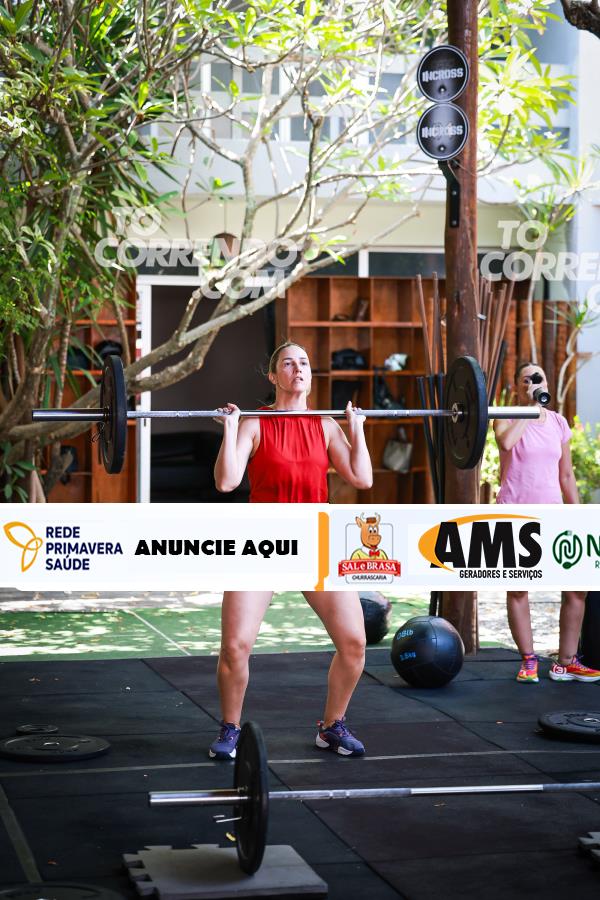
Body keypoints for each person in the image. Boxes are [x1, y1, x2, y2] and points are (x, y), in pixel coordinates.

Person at [209, 341, 373, 759]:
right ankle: (230, 728)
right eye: (287, 363)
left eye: (303, 363)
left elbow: (362, 478)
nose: (297, 369)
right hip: (261, 543)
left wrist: (355, 428)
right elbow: (227, 482)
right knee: (235, 646)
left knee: (355, 643)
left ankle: (332, 727)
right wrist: (229, 429)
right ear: (273, 375)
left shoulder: (326, 426)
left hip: (315, 543)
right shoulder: (254, 423)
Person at [493, 361, 600, 684]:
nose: (533, 384)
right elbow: (506, 444)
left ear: (547, 383)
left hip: (554, 515)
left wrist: (578, 515)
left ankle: (566, 662)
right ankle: (528, 659)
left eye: (538, 378)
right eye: (527, 380)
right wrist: (529, 409)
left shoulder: (558, 423)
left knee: (577, 588)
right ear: (517, 386)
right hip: (515, 513)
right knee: (518, 589)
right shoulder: (505, 417)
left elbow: (566, 474)